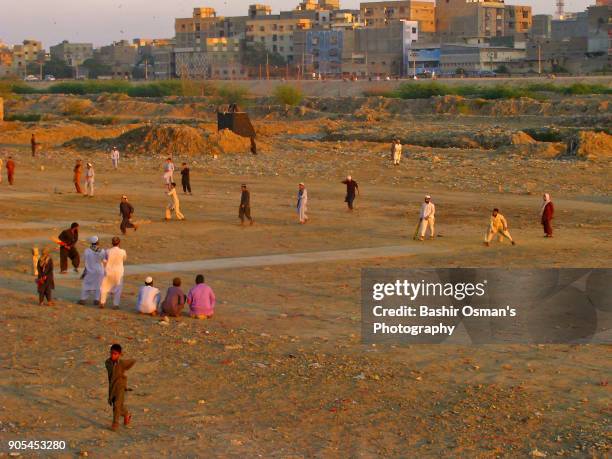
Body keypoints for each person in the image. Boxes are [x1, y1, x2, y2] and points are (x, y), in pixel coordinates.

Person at [105, 344, 135, 432]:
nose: (112, 355)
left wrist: (124, 369)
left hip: (121, 386)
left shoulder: (122, 363)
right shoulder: (107, 363)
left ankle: (115, 424)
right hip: (112, 386)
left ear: (119, 354)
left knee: (117, 405)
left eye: (115, 354)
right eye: (111, 353)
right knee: (117, 405)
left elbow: (132, 361)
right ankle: (126, 414)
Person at [99, 237, 127, 309]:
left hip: (109, 271)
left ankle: (102, 302)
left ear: (112, 243)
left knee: (104, 287)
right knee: (118, 288)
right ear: (119, 243)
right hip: (119, 272)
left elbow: (104, 260)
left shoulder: (108, 251)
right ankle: (115, 304)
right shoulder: (123, 251)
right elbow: (124, 259)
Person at [78, 236, 105, 306]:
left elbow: (82, 259)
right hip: (99, 270)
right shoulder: (101, 251)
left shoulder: (87, 251)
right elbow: (104, 260)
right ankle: (96, 300)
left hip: (90, 270)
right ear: (98, 242)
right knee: (98, 285)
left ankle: (83, 299)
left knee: (86, 285)